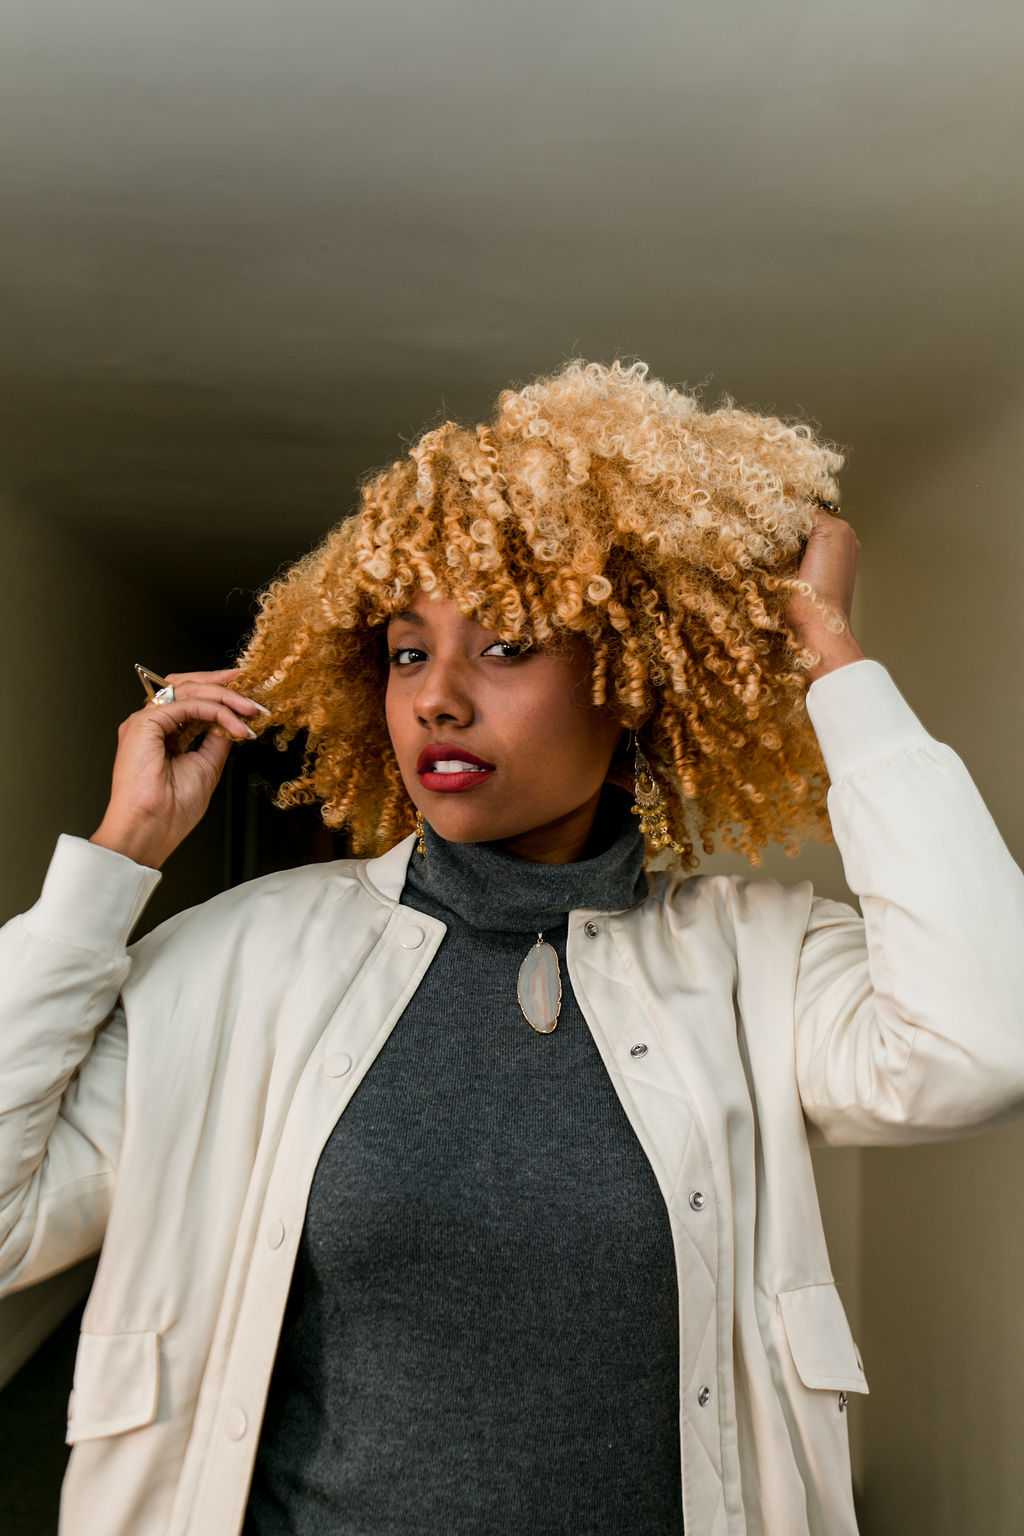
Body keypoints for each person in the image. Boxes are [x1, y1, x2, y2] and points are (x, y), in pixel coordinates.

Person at [1, 358, 1022, 1536]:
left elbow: (982, 1042)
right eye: (405, 652)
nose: (436, 698)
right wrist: (117, 858)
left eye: (506, 647)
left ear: (630, 681)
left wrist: (831, 657)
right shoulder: (239, 958)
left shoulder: (756, 963)